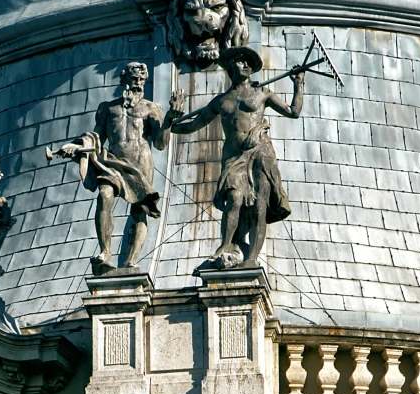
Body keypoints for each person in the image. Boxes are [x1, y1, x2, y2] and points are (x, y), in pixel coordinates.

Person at [164, 42, 308, 268]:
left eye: (248, 63)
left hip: (261, 153)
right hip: (234, 158)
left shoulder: (263, 93)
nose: (245, 65)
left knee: (259, 207)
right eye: (240, 62)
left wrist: (298, 85)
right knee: (234, 199)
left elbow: (293, 112)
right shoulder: (222, 101)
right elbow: (192, 126)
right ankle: (226, 244)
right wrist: (169, 120)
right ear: (230, 67)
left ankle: (251, 259)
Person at [47, 60, 167, 273]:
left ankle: (131, 260)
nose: (138, 82)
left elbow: (160, 142)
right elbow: (95, 139)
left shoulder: (152, 108)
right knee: (104, 194)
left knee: (140, 210)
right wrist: (74, 146)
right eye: (134, 78)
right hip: (112, 161)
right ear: (124, 79)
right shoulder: (107, 108)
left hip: (141, 162)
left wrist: (171, 119)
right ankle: (105, 253)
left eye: (141, 78)